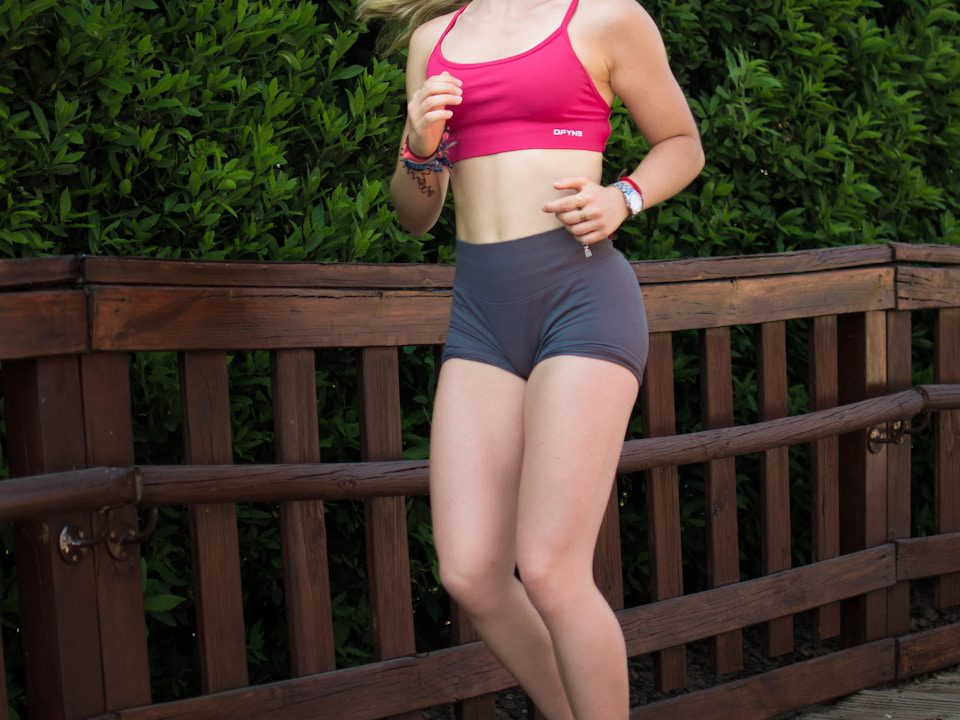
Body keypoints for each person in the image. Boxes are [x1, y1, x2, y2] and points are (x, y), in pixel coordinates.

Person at [357, 1, 704, 717]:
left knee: (549, 569)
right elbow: (417, 215)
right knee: (471, 572)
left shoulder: (605, 18)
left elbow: (682, 143)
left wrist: (623, 197)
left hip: (580, 297)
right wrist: (419, 147)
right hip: (481, 318)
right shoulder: (434, 40)